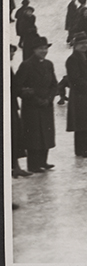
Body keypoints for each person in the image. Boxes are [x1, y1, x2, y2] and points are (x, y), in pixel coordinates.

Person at [16, 36, 57, 173]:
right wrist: (36, 100)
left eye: (45, 48)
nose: (44, 51)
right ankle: (33, 165)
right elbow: (18, 87)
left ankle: (43, 161)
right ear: (34, 50)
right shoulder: (26, 65)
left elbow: (54, 85)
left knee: (45, 134)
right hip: (32, 107)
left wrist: (49, 99)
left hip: (46, 105)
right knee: (34, 136)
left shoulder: (49, 64)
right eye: (41, 49)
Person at [65, 32, 87, 158]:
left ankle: (80, 149)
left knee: (81, 123)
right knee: (84, 123)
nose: (85, 45)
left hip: (82, 94)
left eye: (86, 43)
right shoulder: (73, 59)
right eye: (81, 44)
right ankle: (86, 150)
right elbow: (75, 79)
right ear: (75, 45)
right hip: (80, 94)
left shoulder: (82, 56)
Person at [10, 45, 31, 178]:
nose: (12, 56)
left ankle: (15, 167)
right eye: (10, 53)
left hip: (11, 107)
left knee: (14, 137)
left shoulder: (8, 67)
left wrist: (21, 91)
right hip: (7, 107)